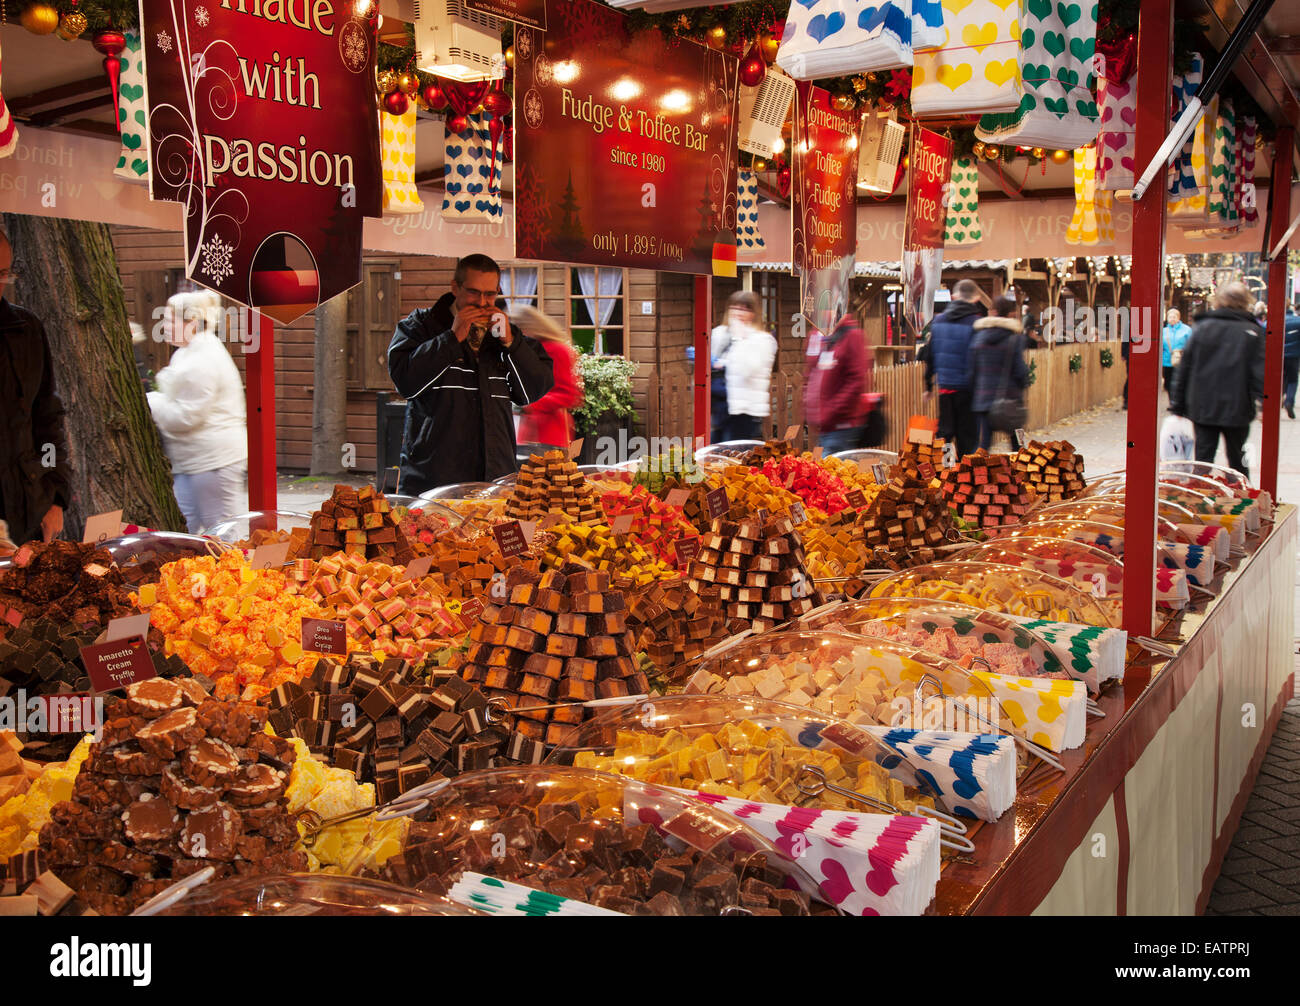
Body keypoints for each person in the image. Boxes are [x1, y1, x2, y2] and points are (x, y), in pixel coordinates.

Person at [388, 254, 554, 493]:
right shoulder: (420, 327)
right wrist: (451, 338)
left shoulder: (507, 335)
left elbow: (534, 389)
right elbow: (405, 382)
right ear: (455, 287)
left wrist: (510, 344)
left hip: (495, 478)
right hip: (433, 478)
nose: (483, 302)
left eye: (490, 294)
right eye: (474, 292)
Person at [147, 289, 248, 532]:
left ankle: (231, 569)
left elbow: (186, 416)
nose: (165, 326)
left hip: (213, 461)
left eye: (171, 320)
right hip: (196, 461)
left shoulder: (202, 359)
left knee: (221, 531)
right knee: (185, 526)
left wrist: (151, 402)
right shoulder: (189, 353)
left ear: (192, 323)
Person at [0, 230, 70, 551]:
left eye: (4, 273)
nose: (0, 283)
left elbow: (47, 422)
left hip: (28, 512)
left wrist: (53, 493)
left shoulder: (27, 329)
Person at [1169, 281, 1265, 479]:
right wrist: (1264, 403)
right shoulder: (1253, 331)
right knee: (1238, 459)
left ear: (1218, 300)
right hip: (1238, 406)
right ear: (1245, 301)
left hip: (1203, 405)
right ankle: (1241, 500)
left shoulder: (1202, 328)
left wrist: (1177, 406)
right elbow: (1259, 372)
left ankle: (1199, 499)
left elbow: (1184, 367)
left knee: (1203, 459)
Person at [925, 278, 984, 457]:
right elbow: (979, 359)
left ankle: (946, 473)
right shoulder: (977, 323)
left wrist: (928, 385)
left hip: (945, 389)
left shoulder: (938, 321)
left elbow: (930, 355)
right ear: (976, 298)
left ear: (953, 296)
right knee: (968, 439)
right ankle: (966, 478)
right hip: (969, 391)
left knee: (945, 435)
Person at [510, 306, 582, 451]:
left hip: (549, 435)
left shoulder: (556, 350)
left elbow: (569, 395)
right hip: (525, 434)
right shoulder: (524, 351)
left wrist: (529, 404)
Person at [713, 291, 776, 441]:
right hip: (719, 407)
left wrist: (742, 339)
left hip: (744, 410)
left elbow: (749, 369)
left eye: (745, 309)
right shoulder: (720, 333)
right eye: (734, 307)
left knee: (735, 458)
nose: (738, 313)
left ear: (754, 313)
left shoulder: (763, 340)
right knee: (712, 457)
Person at [968, 296, 1028, 451]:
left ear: (993, 312)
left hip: (983, 399)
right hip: (1010, 399)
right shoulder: (1014, 339)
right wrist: (1023, 384)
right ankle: (1020, 474)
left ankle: (978, 473)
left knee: (985, 444)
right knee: (1017, 445)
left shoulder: (978, 338)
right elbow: (1019, 370)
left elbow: (972, 370)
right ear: (1010, 314)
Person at [805, 311, 869, 453]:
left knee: (830, 469)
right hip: (824, 425)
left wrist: (831, 411)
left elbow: (857, 381)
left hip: (842, 425)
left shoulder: (852, 335)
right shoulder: (817, 335)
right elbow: (811, 372)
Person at [1161, 308, 1191, 394]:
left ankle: (1178, 402)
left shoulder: (1187, 330)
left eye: (1174, 317)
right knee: (1168, 384)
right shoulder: (1163, 331)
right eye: (1170, 317)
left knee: (1180, 382)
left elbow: (1191, 344)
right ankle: (1172, 402)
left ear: (1179, 318)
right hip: (1167, 361)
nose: (1172, 319)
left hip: (1182, 360)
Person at [1283, 302, 1300, 420]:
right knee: (1292, 380)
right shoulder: (1297, 321)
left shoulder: (1271, 321)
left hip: (1277, 356)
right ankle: (1289, 401)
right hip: (1293, 355)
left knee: (1279, 380)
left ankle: (1276, 401)